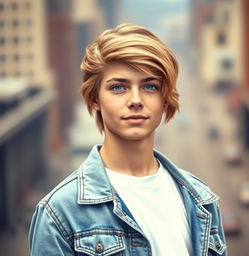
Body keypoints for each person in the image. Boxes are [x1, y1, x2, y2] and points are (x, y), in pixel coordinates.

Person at [29, 23, 227, 256]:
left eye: (150, 86)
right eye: (119, 87)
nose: (135, 100)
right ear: (95, 99)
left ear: (165, 100)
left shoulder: (201, 198)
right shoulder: (59, 214)